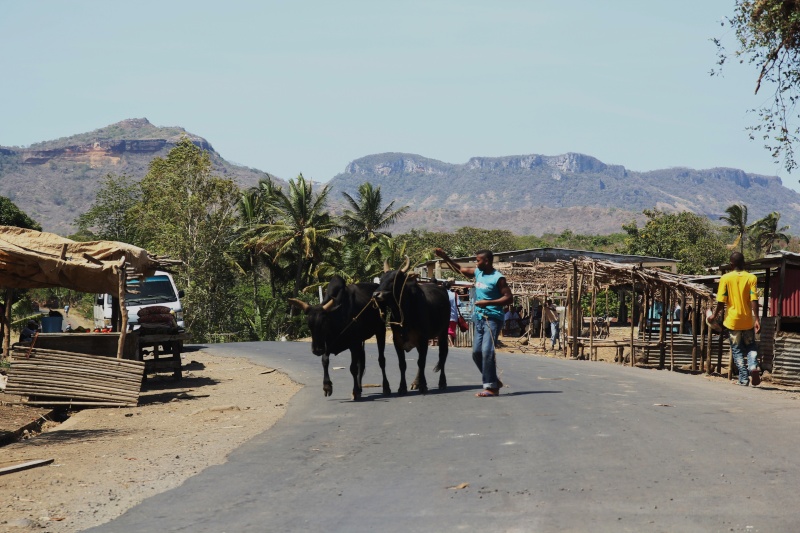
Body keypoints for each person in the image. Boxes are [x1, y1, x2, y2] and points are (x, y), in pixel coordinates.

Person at [435, 247, 513, 397]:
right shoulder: (479, 272)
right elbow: (459, 269)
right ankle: (494, 380)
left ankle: (491, 387)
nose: (475, 263)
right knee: (476, 353)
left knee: (487, 351)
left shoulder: (498, 278)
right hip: (479, 318)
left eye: (477, 260)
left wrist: (488, 302)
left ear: (487, 261)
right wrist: (445, 257)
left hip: (493, 319)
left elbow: (509, 298)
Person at [709, 251, 761, 386]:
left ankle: (743, 378)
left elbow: (721, 301)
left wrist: (714, 315)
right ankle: (753, 366)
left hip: (732, 322)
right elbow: (754, 299)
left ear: (731, 264)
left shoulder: (725, 278)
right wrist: (757, 319)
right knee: (751, 346)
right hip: (747, 320)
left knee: (737, 350)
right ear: (744, 263)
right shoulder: (751, 278)